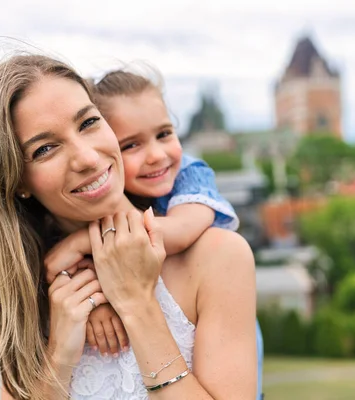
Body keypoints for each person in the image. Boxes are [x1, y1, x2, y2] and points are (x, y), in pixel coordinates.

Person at [0, 54, 257, 399]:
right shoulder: (23, 288)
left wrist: (137, 304)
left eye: (88, 123)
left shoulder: (218, 257)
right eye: (45, 149)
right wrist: (59, 355)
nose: (87, 158)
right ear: (17, 181)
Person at [89, 69, 265, 398]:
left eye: (164, 133)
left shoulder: (190, 174)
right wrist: (97, 303)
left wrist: (75, 246)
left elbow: (178, 232)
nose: (157, 154)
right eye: (131, 145)